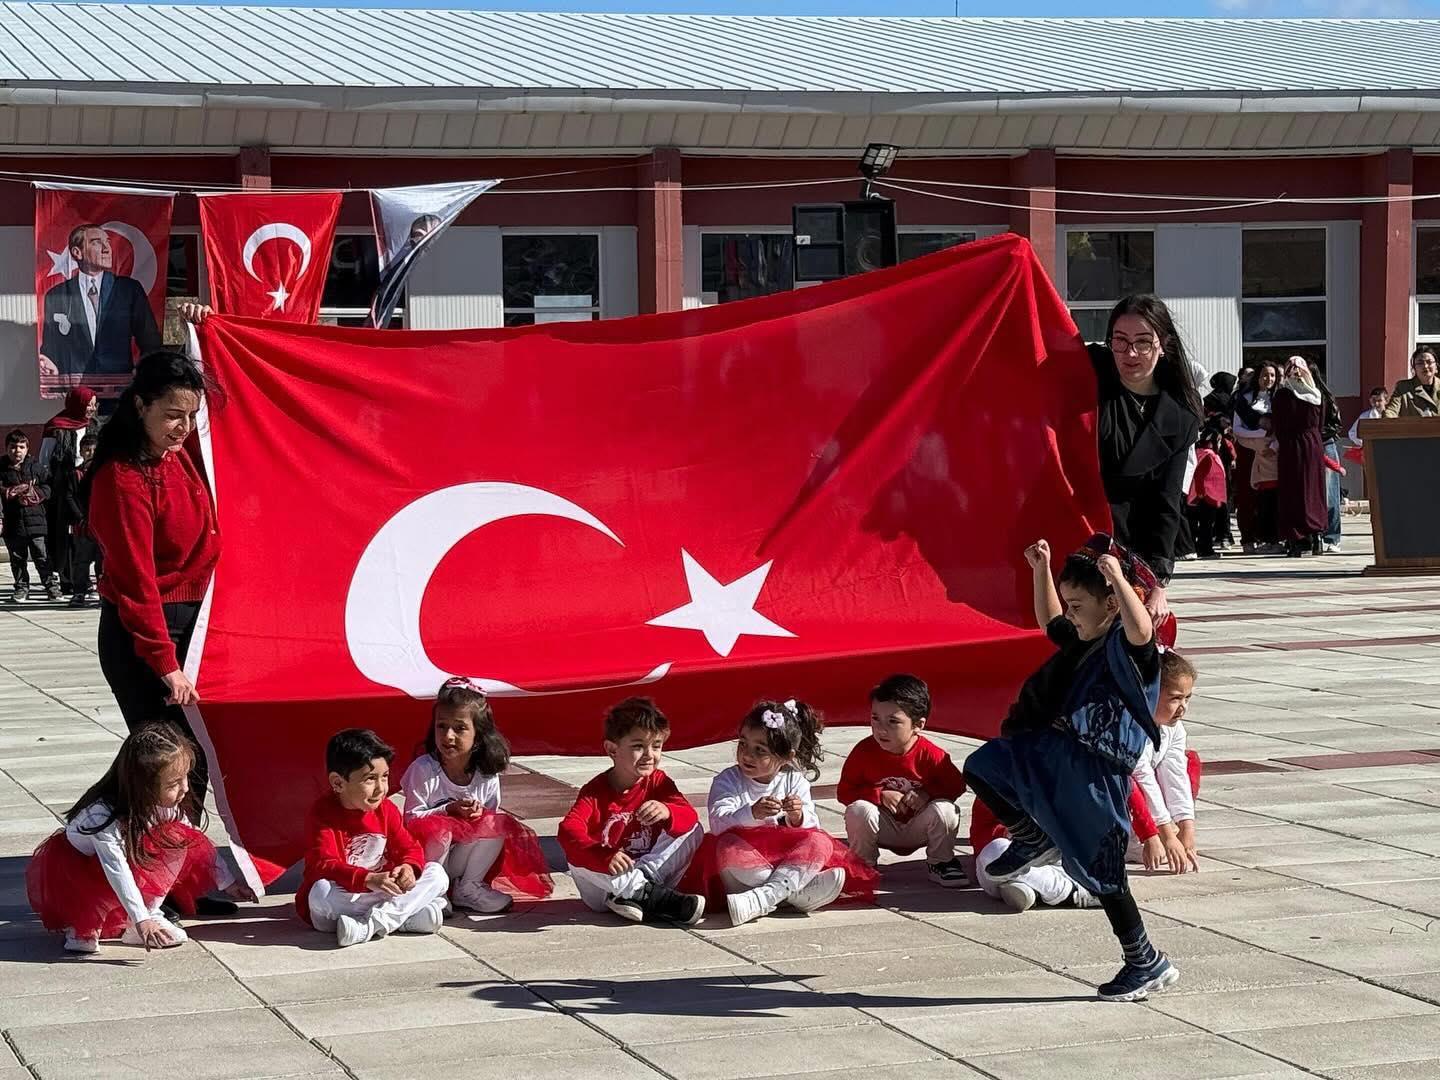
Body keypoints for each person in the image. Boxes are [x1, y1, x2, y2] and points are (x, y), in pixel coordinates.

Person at [962, 534, 1175, 1002]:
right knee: (982, 764)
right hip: (1050, 751)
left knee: (1104, 873)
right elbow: (1050, 620)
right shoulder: (1080, 639)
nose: (1071, 612)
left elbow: (1142, 630)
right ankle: (1032, 836)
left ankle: (1144, 960)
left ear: (1110, 605)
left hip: (1093, 772)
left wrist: (1118, 577)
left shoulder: (1126, 646)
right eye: (1070, 601)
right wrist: (1040, 568)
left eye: (1080, 603)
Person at [84, 352, 220, 828]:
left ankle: (174, 862)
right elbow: (136, 583)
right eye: (172, 415)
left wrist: (207, 334)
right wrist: (167, 665)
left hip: (191, 623)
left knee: (191, 758)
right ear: (140, 406)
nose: (183, 427)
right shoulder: (123, 479)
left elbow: (240, 408)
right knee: (168, 762)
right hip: (144, 635)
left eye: (190, 415)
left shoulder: (179, 454)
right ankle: (102, 839)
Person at [26, 722, 252, 954]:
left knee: (181, 837)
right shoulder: (102, 815)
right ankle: (90, 923)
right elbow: (116, 869)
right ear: (143, 786)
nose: (185, 788)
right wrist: (140, 918)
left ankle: (150, 911)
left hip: (125, 859)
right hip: (79, 872)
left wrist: (228, 882)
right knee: (83, 942)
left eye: (185, 777)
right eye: (174, 783)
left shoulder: (164, 804)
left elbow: (195, 838)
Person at [687, 698, 877, 926]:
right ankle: (792, 893)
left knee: (821, 842)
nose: (747, 755)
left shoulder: (794, 780)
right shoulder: (727, 780)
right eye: (743, 744)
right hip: (743, 865)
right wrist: (752, 813)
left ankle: (764, 897)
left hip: (784, 860)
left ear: (786, 757)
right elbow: (718, 823)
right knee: (727, 846)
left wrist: (797, 817)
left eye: (760, 750)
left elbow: (811, 825)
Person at [1088, 296, 1202, 622]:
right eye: (1120, 342)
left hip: (1127, 547)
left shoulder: (1180, 418)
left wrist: (1159, 582)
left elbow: (1167, 503)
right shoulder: (1089, 375)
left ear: (1163, 344)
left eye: (1142, 342)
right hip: (1077, 529)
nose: (1130, 354)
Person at [400, 677, 552, 914]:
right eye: (442, 726)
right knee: (440, 827)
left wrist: (478, 815)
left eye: (460, 728)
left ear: (478, 734)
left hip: (461, 857)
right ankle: (434, 893)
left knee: (496, 822)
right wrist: (447, 810)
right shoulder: (424, 769)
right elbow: (410, 821)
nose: (449, 736)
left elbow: (489, 822)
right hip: (426, 861)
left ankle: (469, 887)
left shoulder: (486, 775)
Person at [557, 697, 705, 924]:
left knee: (693, 828)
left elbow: (688, 817)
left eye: (656, 746)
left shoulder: (659, 782)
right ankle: (648, 895)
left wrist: (668, 810)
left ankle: (639, 891)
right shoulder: (595, 791)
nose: (649, 755)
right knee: (575, 857)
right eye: (638, 746)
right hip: (604, 884)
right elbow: (568, 830)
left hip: (647, 870)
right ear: (612, 749)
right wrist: (602, 856)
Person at [297, 729, 450, 948]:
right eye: (370, 779)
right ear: (338, 783)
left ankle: (371, 924)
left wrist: (408, 867)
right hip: (345, 898)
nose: (381, 788)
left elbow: (410, 847)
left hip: (381, 891)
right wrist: (368, 879)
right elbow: (323, 864)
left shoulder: (385, 808)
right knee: (320, 893)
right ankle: (405, 916)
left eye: (385, 776)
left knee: (436, 873)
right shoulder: (322, 813)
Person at [838, 674, 968, 887]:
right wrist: (878, 795)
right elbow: (845, 792)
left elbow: (956, 785)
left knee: (946, 810)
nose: (881, 729)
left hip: (918, 825)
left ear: (918, 725)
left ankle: (941, 862)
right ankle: (863, 864)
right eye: (875, 718)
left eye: (893, 721)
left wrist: (926, 794)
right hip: (882, 826)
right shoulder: (863, 752)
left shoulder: (931, 755)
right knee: (859, 810)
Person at [39, 224, 162, 380]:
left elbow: (150, 340)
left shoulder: (129, 290)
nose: (107, 249)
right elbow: (51, 347)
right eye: (97, 242)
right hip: (77, 389)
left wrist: (143, 372)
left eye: (108, 242)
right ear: (77, 252)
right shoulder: (57, 295)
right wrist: (48, 365)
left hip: (120, 387)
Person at [1130, 651, 1202, 875]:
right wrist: (1162, 834)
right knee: (1129, 780)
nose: (1183, 707)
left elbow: (1176, 776)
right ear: (1149, 694)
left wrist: (1186, 828)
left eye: (1187, 698)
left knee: (1190, 763)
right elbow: (1142, 780)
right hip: (1121, 798)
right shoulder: (1132, 729)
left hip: (1141, 803)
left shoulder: (1174, 730)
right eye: (1174, 698)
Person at [39, 385, 98, 592]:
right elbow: (45, 461)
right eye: (88, 404)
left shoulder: (94, 426)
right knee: (65, 532)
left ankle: (85, 577)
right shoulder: (55, 428)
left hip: (88, 484)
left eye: (93, 404)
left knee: (87, 531)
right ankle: (66, 578)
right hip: (64, 487)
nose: (92, 408)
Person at [1271, 357, 1327, 558]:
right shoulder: (1316, 394)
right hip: (1312, 444)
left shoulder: (1283, 395)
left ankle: (1299, 539)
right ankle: (1315, 535)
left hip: (1293, 445)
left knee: (1295, 491)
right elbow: (1320, 423)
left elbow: (1279, 423)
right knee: (1311, 490)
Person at [1232, 360, 1283, 554]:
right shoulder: (1243, 399)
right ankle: (1248, 538)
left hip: (1272, 453)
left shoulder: (1279, 399)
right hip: (1248, 452)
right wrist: (1261, 437)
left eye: (1271, 375)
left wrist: (1274, 444)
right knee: (1247, 495)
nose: (1268, 379)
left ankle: (1272, 538)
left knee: (1271, 498)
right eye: (1264, 375)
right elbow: (1237, 429)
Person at [2, 429, 59, 602]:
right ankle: (21, 588)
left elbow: (49, 487)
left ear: (27, 448)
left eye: (21, 447)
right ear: (6, 448)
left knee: (41, 556)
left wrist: (35, 493)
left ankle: (51, 586)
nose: (17, 451)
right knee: (17, 558)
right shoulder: (2, 469)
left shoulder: (36, 467)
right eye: (13, 447)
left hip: (36, 520)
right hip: (13, 522)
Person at [1310, 362, 1345, 554]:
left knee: (1330, 493)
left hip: (1325, 445)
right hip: (1304, 448)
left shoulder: (1325, 397)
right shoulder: (1291, 396)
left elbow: (1335, 425)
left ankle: (1332, 536)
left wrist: (1315, 436)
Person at [65, 432, 101, 606]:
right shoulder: (76, 474)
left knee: (102, 562)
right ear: (81, 451)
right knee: (81, 561)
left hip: (101, 525)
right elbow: (70, 497)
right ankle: (79, 592)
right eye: (87, 450)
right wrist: (80, 518)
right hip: (83, 526)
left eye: (94, 450)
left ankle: (103, 592)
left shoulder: (103, 472)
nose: (91, 453)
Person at [1384, 346, 1439, 418]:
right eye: (1420, 363)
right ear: (1414, 368)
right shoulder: (1403, 388)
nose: (1425, 366)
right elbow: (1391, 411)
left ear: (1436, 367)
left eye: (1429, 362)